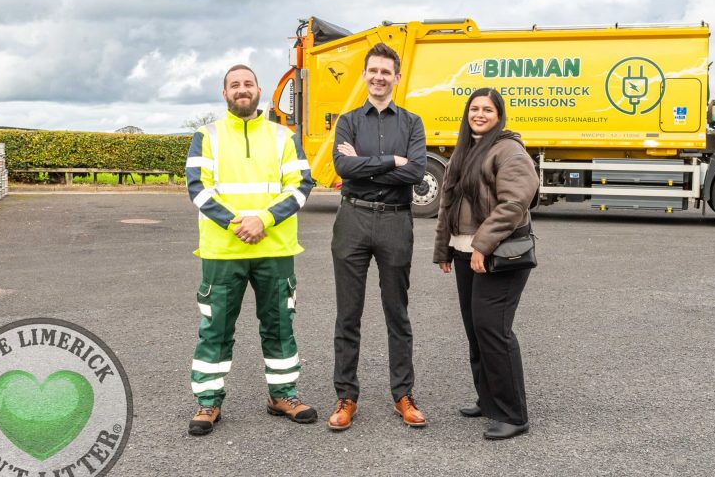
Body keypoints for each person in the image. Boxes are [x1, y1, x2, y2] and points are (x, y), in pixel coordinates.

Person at [185, 64, 317, 436]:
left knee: (279, 326)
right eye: (234, 85)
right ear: (224, 93)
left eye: (248, 83)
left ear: (259, 90)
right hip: (222, 252)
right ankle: (208, 402)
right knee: (215, 329)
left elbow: (300, 186)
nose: (242, 89)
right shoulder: (205, 136)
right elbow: (198, 188)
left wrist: (263, 220)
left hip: (275, 248)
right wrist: (236, 223)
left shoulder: (283, 136)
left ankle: (283, 395)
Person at [328, 43, 428, 431]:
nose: (379, 77)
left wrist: (365, 166)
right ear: (365, 74)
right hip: (352, 219)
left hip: (395, 222)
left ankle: (402, 394)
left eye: (386, 71)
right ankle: (346, 396)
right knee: (348, 315)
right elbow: (342, 167)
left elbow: (417, 173)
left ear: (397, 78)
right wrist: (392, 161)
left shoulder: (412, 123)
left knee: (397, 313)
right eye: (373, 71)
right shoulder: (349, 121)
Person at [433, 88, 539, 440]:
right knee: (476, 330)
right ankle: (489, 399)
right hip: (466, 251)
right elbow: (447, 202)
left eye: (487, 109)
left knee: (494, 330)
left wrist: (481, 246)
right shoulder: (464, 149)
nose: (479, 114)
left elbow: (515, 203)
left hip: (500, 254)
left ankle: (513, 414)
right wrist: (444, 250)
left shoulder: (509, 150)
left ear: (499, 115)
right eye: (474, 108)